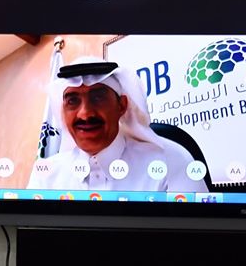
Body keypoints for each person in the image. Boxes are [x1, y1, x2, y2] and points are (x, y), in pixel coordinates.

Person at [27, 57, 209, 193]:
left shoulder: (171, 160)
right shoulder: (46, 175)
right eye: (73, 101)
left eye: (97, 97)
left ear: (122, 105)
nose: (85, 114)